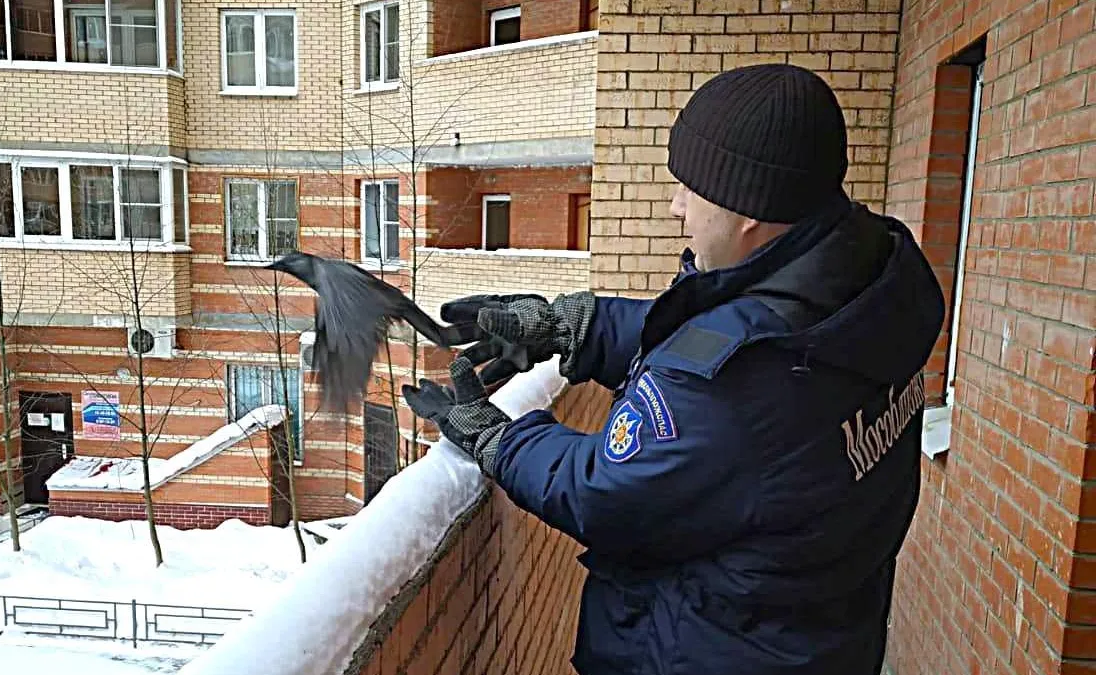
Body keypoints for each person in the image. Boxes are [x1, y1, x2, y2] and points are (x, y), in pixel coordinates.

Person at [403, 63, 946, 675]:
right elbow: (726, 337)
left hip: (714, 651)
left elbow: (606, 492)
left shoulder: (736, 388)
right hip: (822, 634)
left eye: (690, 188)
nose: (674, 207)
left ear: (749, 209)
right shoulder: (866, 286)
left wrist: (498, 436)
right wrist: (574, 326)